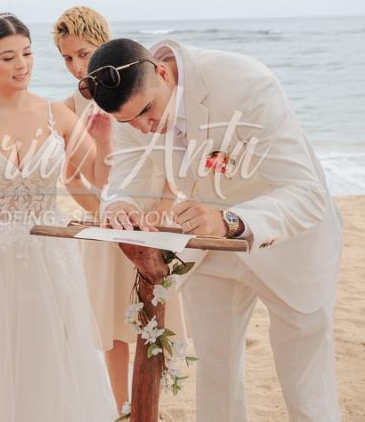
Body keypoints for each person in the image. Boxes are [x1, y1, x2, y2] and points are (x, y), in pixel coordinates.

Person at [89, 37, 343, 421]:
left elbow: (306, 193)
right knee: (215, 372)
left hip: (288, 244)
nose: (144, 128)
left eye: (147, 111)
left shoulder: (247, 83)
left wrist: (229, 221)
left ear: (163, 73)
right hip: (210, 249)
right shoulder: (132, 105)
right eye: (130, 122)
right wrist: (120, 204)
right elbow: (125, 179)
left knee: (305, 387)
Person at [0, 13, 117, 421]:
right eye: (9, 57)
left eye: (28, 54)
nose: (22, 65)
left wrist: (104, 141)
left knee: (49, 357)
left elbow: (100, 179)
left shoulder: (57, 115)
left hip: (49, 256)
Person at [52, 6, 186, 414]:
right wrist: (105, 215)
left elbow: (170, 162)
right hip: (109, 223)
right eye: (68, 58)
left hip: (154, 216)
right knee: (111, 325)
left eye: (84, 53)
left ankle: (151, 403)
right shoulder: (71, 107)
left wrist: (160, 212)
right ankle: (123, 406)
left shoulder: (139, 89)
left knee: (154, 314)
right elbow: (74, 180)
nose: (78, 67)